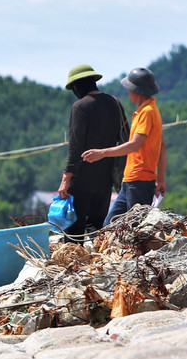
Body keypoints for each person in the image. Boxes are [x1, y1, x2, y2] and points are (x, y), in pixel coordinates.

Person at [81, 67, 166, 225]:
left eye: (129, 89)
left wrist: (102, 153)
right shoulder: (147, 110)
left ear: (137, 91)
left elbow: (135, 145)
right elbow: (162, 147)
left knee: (136, 227)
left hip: (139, 181)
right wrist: (160, 179)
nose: (128, 92)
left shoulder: (147, 112)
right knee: (109, 226)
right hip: (131, 180)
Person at [57, 64, 127, 239]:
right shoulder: (114, 102)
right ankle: (100, 254)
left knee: (74, 230)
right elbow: (126, 137)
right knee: (96, 226)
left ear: (77, 86)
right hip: (106, 177)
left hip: (81, 178)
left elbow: (75, 146)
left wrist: (66, 178)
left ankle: (75, 257)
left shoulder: (80, 106)